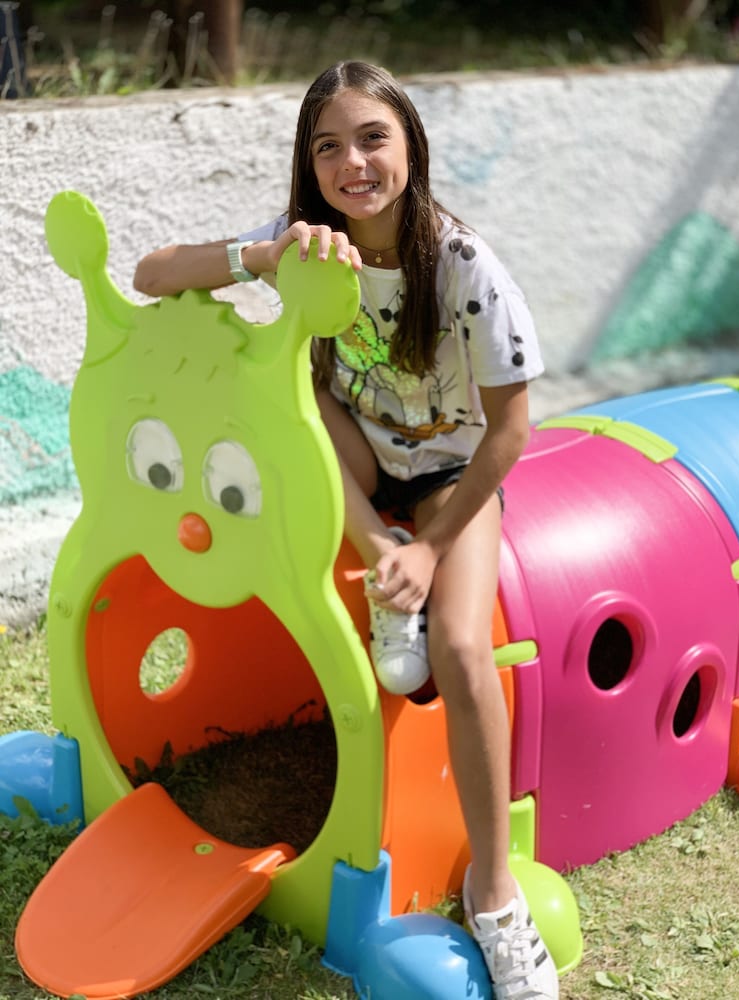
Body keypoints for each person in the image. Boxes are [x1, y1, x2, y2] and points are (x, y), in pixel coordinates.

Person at [133, 60, 557, 1000]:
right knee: (292, 391)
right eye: (328, 146)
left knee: (460, 647)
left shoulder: (463, 264)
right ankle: (379, 563)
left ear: (411, 144)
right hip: (353, 463)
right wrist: (263, 257)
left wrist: (434, 549)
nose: (352, 163)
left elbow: (511, 430)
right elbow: (150, 273)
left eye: (372, 138)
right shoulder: (309, 244)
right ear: (309, 164)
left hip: (449, 475)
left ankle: (495, 896)